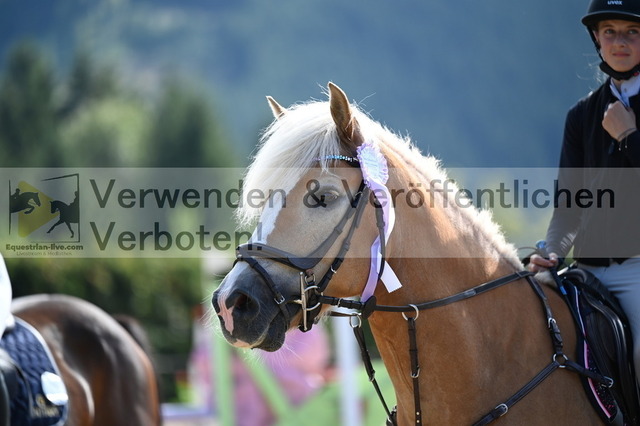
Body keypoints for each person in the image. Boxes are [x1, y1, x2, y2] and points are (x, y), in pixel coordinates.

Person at [529, 0, 640, 386]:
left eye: (632, 32)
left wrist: (629, 137)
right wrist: (553, 250)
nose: (619, 42)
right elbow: (569, 203)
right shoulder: (581, 116)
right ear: (597, 37)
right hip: (586, 271)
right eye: (610, 31)